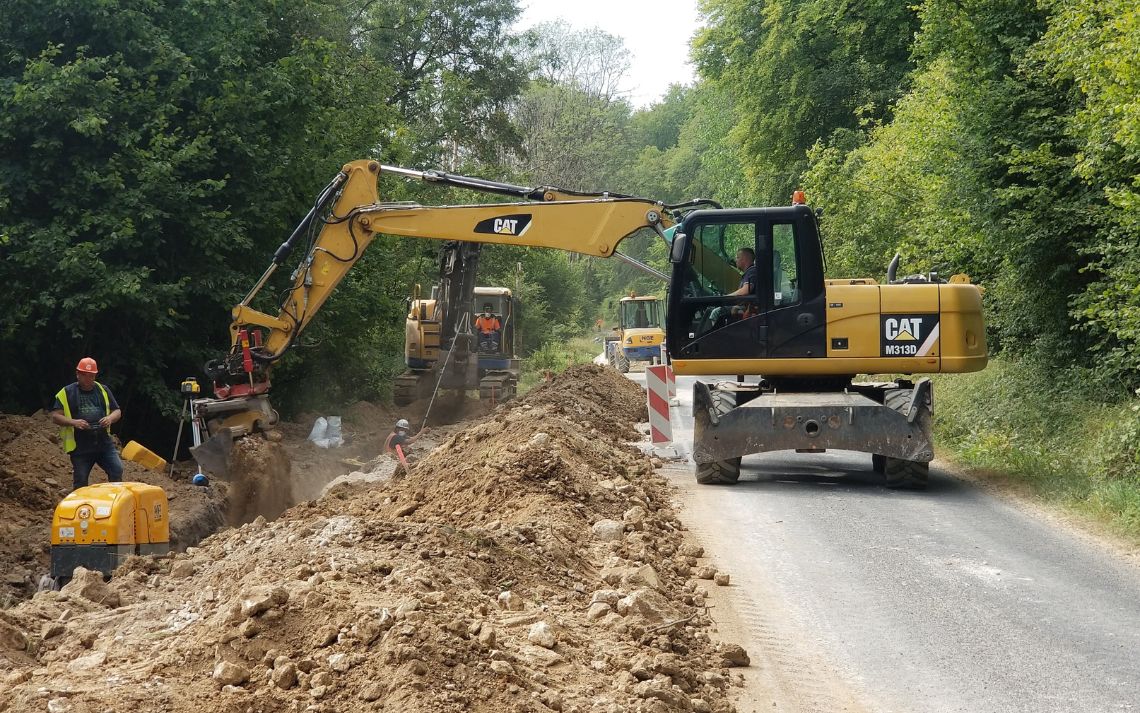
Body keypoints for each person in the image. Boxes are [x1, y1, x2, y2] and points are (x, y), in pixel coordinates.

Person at [50, 357, 123, 492]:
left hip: (103, 443)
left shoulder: (103, 390)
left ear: (95, 375)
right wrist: (74, 422)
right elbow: (55, 416)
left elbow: (117, 411)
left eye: (91, 375)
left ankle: (114, 502)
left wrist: (109, 418)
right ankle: (81, 509)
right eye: (84, 375)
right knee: (81, 481)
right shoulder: (67, 392)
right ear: (77, 374)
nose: (87, 378)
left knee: (117, 470)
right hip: (81, 447)